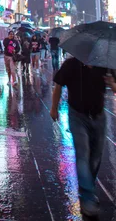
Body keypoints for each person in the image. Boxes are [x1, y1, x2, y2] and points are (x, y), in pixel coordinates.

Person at [50, 58, 116, 217]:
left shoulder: (104, 64)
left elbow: (115, 88)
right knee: (83, 154)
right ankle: (87, 197)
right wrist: (54, 108)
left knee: (95, 157)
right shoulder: (71, 64)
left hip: (98, 116)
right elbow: (58, 85)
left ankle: (88, 186)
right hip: (77, 116)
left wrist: (112, 83)